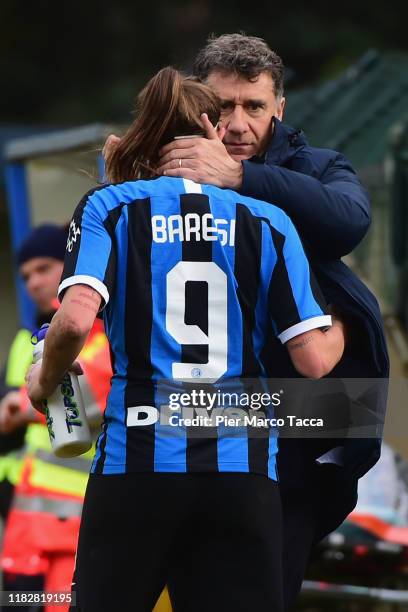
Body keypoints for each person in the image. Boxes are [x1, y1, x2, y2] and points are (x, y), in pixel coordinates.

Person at [26, 66, 345, 612]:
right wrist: (343, 323)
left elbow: (75, 321)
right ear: (212, 129)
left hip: (138, 467)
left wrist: (43, 381)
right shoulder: (269, 221)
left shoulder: (112, 205)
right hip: (242, 475)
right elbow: (314, 361)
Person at [154, 33, 389, 610]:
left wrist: (240, 180)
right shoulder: (163, 166)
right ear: (194, 103)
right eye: (222, 105)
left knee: (266, 585)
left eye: (254, 106)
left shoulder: (315, 165)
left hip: (296, 412)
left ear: (278, 109)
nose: (236, 123)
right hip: (189, 412)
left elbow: (348, 221)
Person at [0, 225, 112, 612]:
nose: (33, 283)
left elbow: (91, 405)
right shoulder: (27, 339)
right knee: (17, 604)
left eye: (43, 269)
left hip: (77, 521)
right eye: (26, 275)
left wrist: (18, 408)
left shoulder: (104, 337)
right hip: (26, 518)